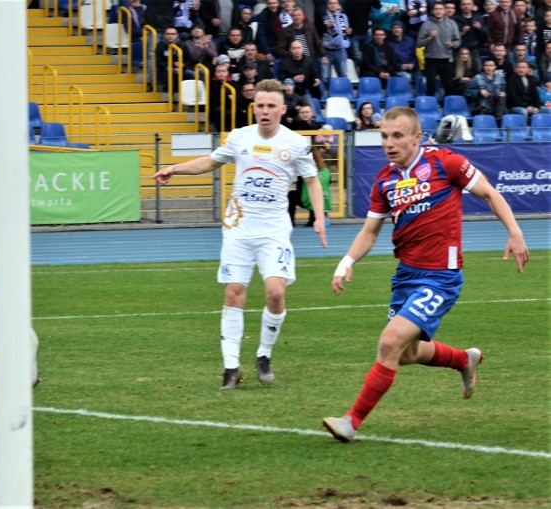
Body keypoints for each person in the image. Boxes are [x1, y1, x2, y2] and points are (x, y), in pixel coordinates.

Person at [322, 106, 529, 443]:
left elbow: (490, 192)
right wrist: (346, 261)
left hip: (440, 276)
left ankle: (351, 421)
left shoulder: (444, 162)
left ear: (418, 137)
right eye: (384, 136)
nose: (390, 143)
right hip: (406, 276)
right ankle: (464, 360)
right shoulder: (385, 180)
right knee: (404, 353)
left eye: (398, 136)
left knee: (389, 342)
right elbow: (370, 232)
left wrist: (515, 232)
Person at [152, 79, 327, 390]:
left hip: (273, 230)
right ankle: (230, 367)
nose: (265, 111)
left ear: (282, 109)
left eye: (271, 106)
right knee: (234, 292)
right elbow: (210, 161)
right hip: (238, 228)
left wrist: (320, 218)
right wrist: (175, 169)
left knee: (275, 293)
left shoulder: (296, 144)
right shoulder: (239, 138)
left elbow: (312, 181)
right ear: (254, 107)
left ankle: (264, 354)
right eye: (260, 105)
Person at [416, 2, 462, 97]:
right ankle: (429, 108)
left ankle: (448, 108)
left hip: (446, 59)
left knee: (449, 86)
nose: (438, 11)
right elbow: (418, 43)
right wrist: (429, 38)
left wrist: (452, 44)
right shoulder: (426, 24)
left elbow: (458, 41)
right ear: (432, 11)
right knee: (431, 86)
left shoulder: (452, 23)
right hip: (431, 60)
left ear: (445, 11)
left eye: (441, 9)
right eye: (436, 9)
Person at [321, 0, 352, 80]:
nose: (332, 5)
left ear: (338, 5)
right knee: (325, 77)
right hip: (327, 51)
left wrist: (350, 31)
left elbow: (348, 30)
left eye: (335, 3)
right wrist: (326, 27)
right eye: (330, 3)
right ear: (327, 5)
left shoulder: (344, 16)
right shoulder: (322, 16)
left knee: (343, 75)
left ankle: (343, 93)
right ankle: (325, 92)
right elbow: (318, 31)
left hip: (341, 50)